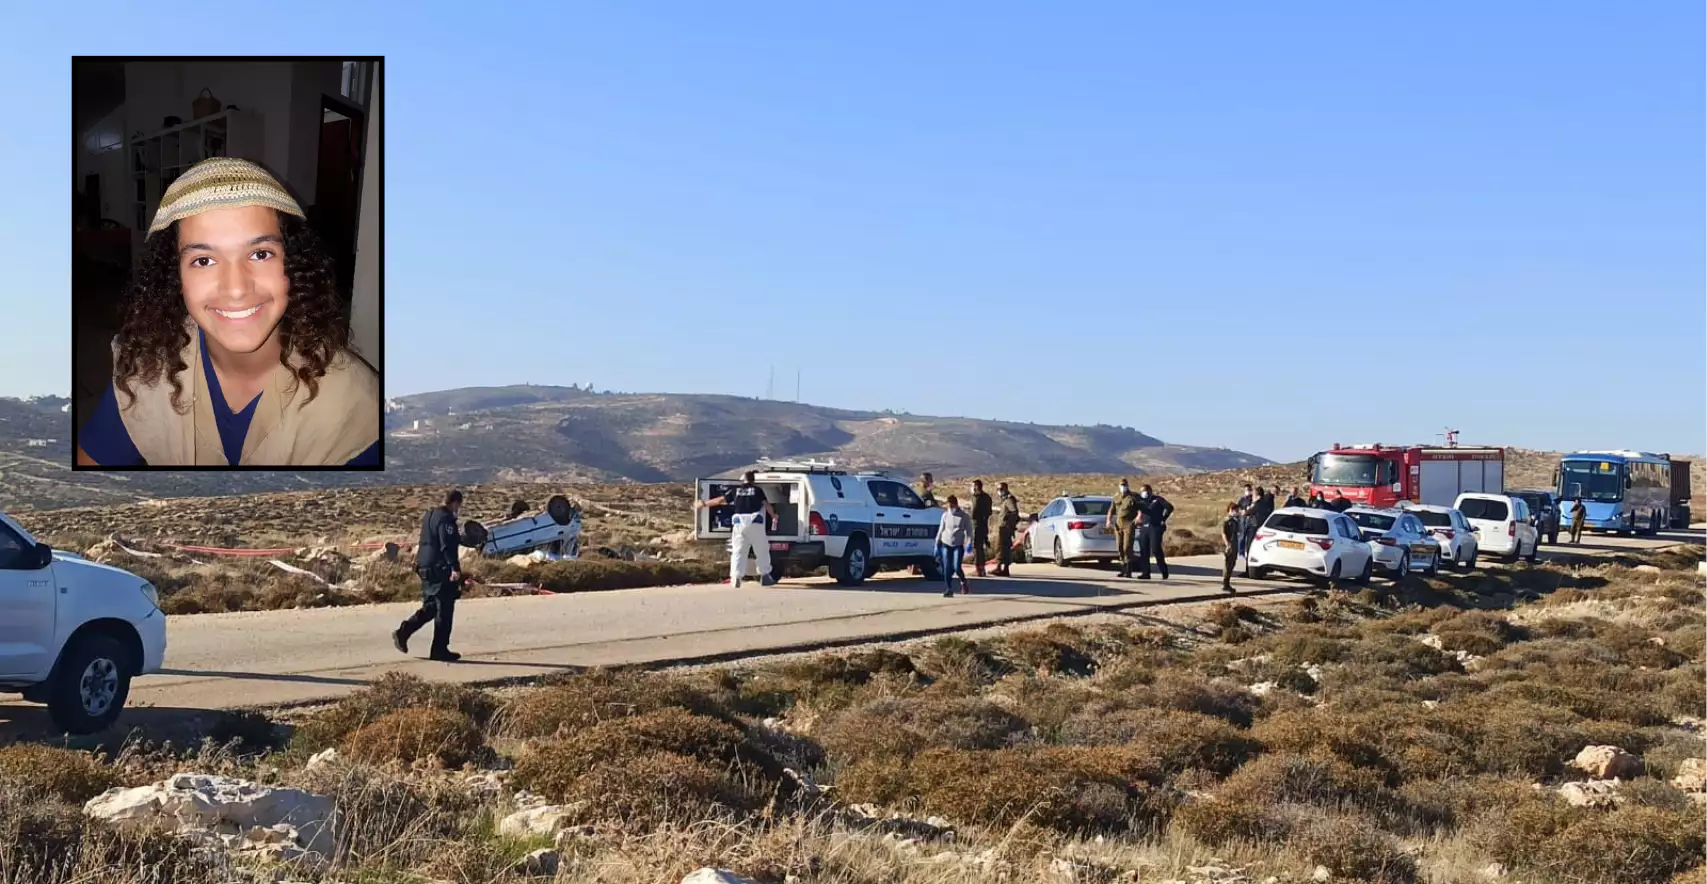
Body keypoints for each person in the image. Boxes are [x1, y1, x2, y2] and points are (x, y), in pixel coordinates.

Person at [76, 157, 380, 467]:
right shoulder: (146, 369)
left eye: (260, 254)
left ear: (294, 265)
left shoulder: (355, 404)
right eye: (204, 260)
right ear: (174, 277)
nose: (235, 288)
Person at [394, 490, 476, 661]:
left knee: (431, 607)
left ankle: (404, 631)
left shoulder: (430, 516)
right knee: (444, 610)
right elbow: (446, 545)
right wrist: (454, 568)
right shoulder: (446, 520)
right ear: (454, 503)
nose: (458, 509)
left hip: (425, 566)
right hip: (440, 569)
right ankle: (439, 649)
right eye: (458, 505)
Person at [695, 471, 778, 587]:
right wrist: (774, 516)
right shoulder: (758, 490)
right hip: (755, 522)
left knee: (738, 551)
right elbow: (766, 505)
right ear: (753, 480)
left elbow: (719, 500)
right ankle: (765, 576)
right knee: (761, 550)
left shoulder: (735, 490)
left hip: (739, 524)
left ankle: (736, 578)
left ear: (742, 480)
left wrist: (703, 504)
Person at [1134, 484, 1174, 580]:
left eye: (1145, 491)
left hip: (1155, 527)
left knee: (1156, 549)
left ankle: (1164, 570)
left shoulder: (1157, 500)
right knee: (1144, 551)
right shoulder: (1141, 501)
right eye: (1142, 491)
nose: (1143, 493)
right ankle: (1145, 573)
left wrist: (1163, 519)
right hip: (1144, 527)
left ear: (1150, 491)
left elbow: (1169, 507)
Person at [936, 495, 972, 597]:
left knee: (956, 567)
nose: (949, 508)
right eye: (948, 506)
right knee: (947, 568)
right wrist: (937, 543)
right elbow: (941, 530)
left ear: (955, 504)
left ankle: (963, 581)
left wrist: (969, 543)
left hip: (958, 544)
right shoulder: (945, 516)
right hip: (946, 543)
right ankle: (949, 589)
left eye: (951, 505)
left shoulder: (964, 516)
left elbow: (969, 532)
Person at [1107, 479, 1142, 577]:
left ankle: (1128, 570)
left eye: (1124, 485)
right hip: (1118, 525)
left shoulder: (1133, 497)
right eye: (1121, 485)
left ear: (1127, 485)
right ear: (1119, 486)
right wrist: (1108, 520)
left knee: (1127, 547)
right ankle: (1123, 568)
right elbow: (1111, 510)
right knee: (1120, 547)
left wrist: (1139, 516)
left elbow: (1141, 508)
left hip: (1129, 524)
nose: (1123, 487)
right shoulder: (1116, 497)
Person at [996, 483, 1021, 576]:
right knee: (1003, 547)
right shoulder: (1005, 500)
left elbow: (1014, 512)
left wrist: (1007, 521)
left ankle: (1000, 568)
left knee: (1001, 547)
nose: (999, 491)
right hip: (1004, 527)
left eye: (1001, 489)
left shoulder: (1009, 500)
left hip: (1005, 528)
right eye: (998, 489)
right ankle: (1003, 568)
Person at [970, 479, 993, 577]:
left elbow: (974, 512)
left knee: (976, 547)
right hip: (984, 524)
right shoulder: (987, 497)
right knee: (981, 547)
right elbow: (989, 511)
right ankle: (982, 568)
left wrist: (971, 516)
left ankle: (978, 568)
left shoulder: (977, 497)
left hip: (977, 524)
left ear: (975, 487)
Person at [1244, 485, 1276, 556]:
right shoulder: (1266, 504)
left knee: (1250, 547)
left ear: (1257, 495)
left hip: (1254, 528)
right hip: (1263, 529)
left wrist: (1248, 509)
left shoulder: (1257, 505)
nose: (1252, 497)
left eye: (1253, 495)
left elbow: (1247, 513)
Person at [1220, 501, 1241, 594]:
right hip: (1230, 544)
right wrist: (1227, 544)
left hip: (1235, 543)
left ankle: (1227, 583)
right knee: (1228, 565)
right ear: (1231, 510)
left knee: (1232, 564)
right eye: (1236, 510)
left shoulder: (1235, 521)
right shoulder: (1227, 521)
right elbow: (1224, 533)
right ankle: (1225, 583)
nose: (1237, 512)